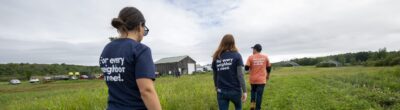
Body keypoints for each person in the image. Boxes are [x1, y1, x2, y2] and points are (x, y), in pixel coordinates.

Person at [99, 7, 161, 110]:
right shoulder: (140, 50)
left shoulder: (106, 49)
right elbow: (146, 90)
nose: (143, 35)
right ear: (140, 26)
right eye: (144, 30)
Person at [212, 34, 247, 110]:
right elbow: (240, 75)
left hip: (221, 91)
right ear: (233, 43)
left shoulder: (216, 57)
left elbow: (215, 75)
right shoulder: (237, 56)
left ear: (222, 43)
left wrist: (216, 86)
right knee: (238, 107)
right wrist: (244, 91)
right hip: (235, 90)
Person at [245, 44, 271, 110]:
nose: (252, 50)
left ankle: (252, 106)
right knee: (259, 95)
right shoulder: (265, 57)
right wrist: (268, 75)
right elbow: (268, 67)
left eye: (253, 49)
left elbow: (246, 68)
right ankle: (258, 108)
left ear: (255, 49)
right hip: (262, 80)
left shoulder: (250, 57)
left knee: (253, 93)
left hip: (253, 80)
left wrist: (248, 65)